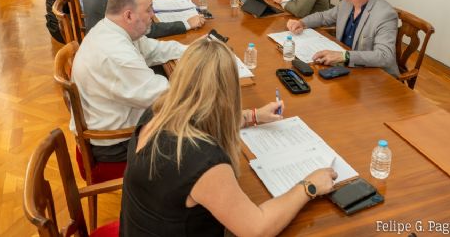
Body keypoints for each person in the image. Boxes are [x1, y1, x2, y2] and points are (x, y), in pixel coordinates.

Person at [120, 37, 337, 236]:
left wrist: (252, 116)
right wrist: (309, 186)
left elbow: (204, 117)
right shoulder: (201, 160)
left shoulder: (159, 110)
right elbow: (256, 229)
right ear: (228, 90)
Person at [71, 0, 186, 162]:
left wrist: (195, 50)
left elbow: (154, 49)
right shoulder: (117, 54)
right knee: (194, 141)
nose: (153, 15)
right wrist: (203, 78)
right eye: (148, 10)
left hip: (116, 120)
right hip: (115, 144)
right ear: (129, 15)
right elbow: (166, 97)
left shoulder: (111, 28)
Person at [287, 0, 399, 77]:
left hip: (373, 77)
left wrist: (345, 56)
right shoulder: (348, 1)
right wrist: (302, 22)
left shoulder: (384, 14)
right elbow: (324, 17)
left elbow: (385, 56)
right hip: (344, 68)